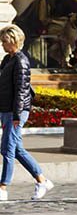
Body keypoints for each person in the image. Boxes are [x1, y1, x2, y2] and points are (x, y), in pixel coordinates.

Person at [0, 24, 53, 201]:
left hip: (16, 110)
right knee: (16, 148)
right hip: (7, 109)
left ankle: (3, 187)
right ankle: (42, 180)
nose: (2, 45)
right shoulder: (7, 60)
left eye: (4, 41)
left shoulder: (21, 61)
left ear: (13, 41)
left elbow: (21, 90)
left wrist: (16, 115)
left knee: (7, 148)